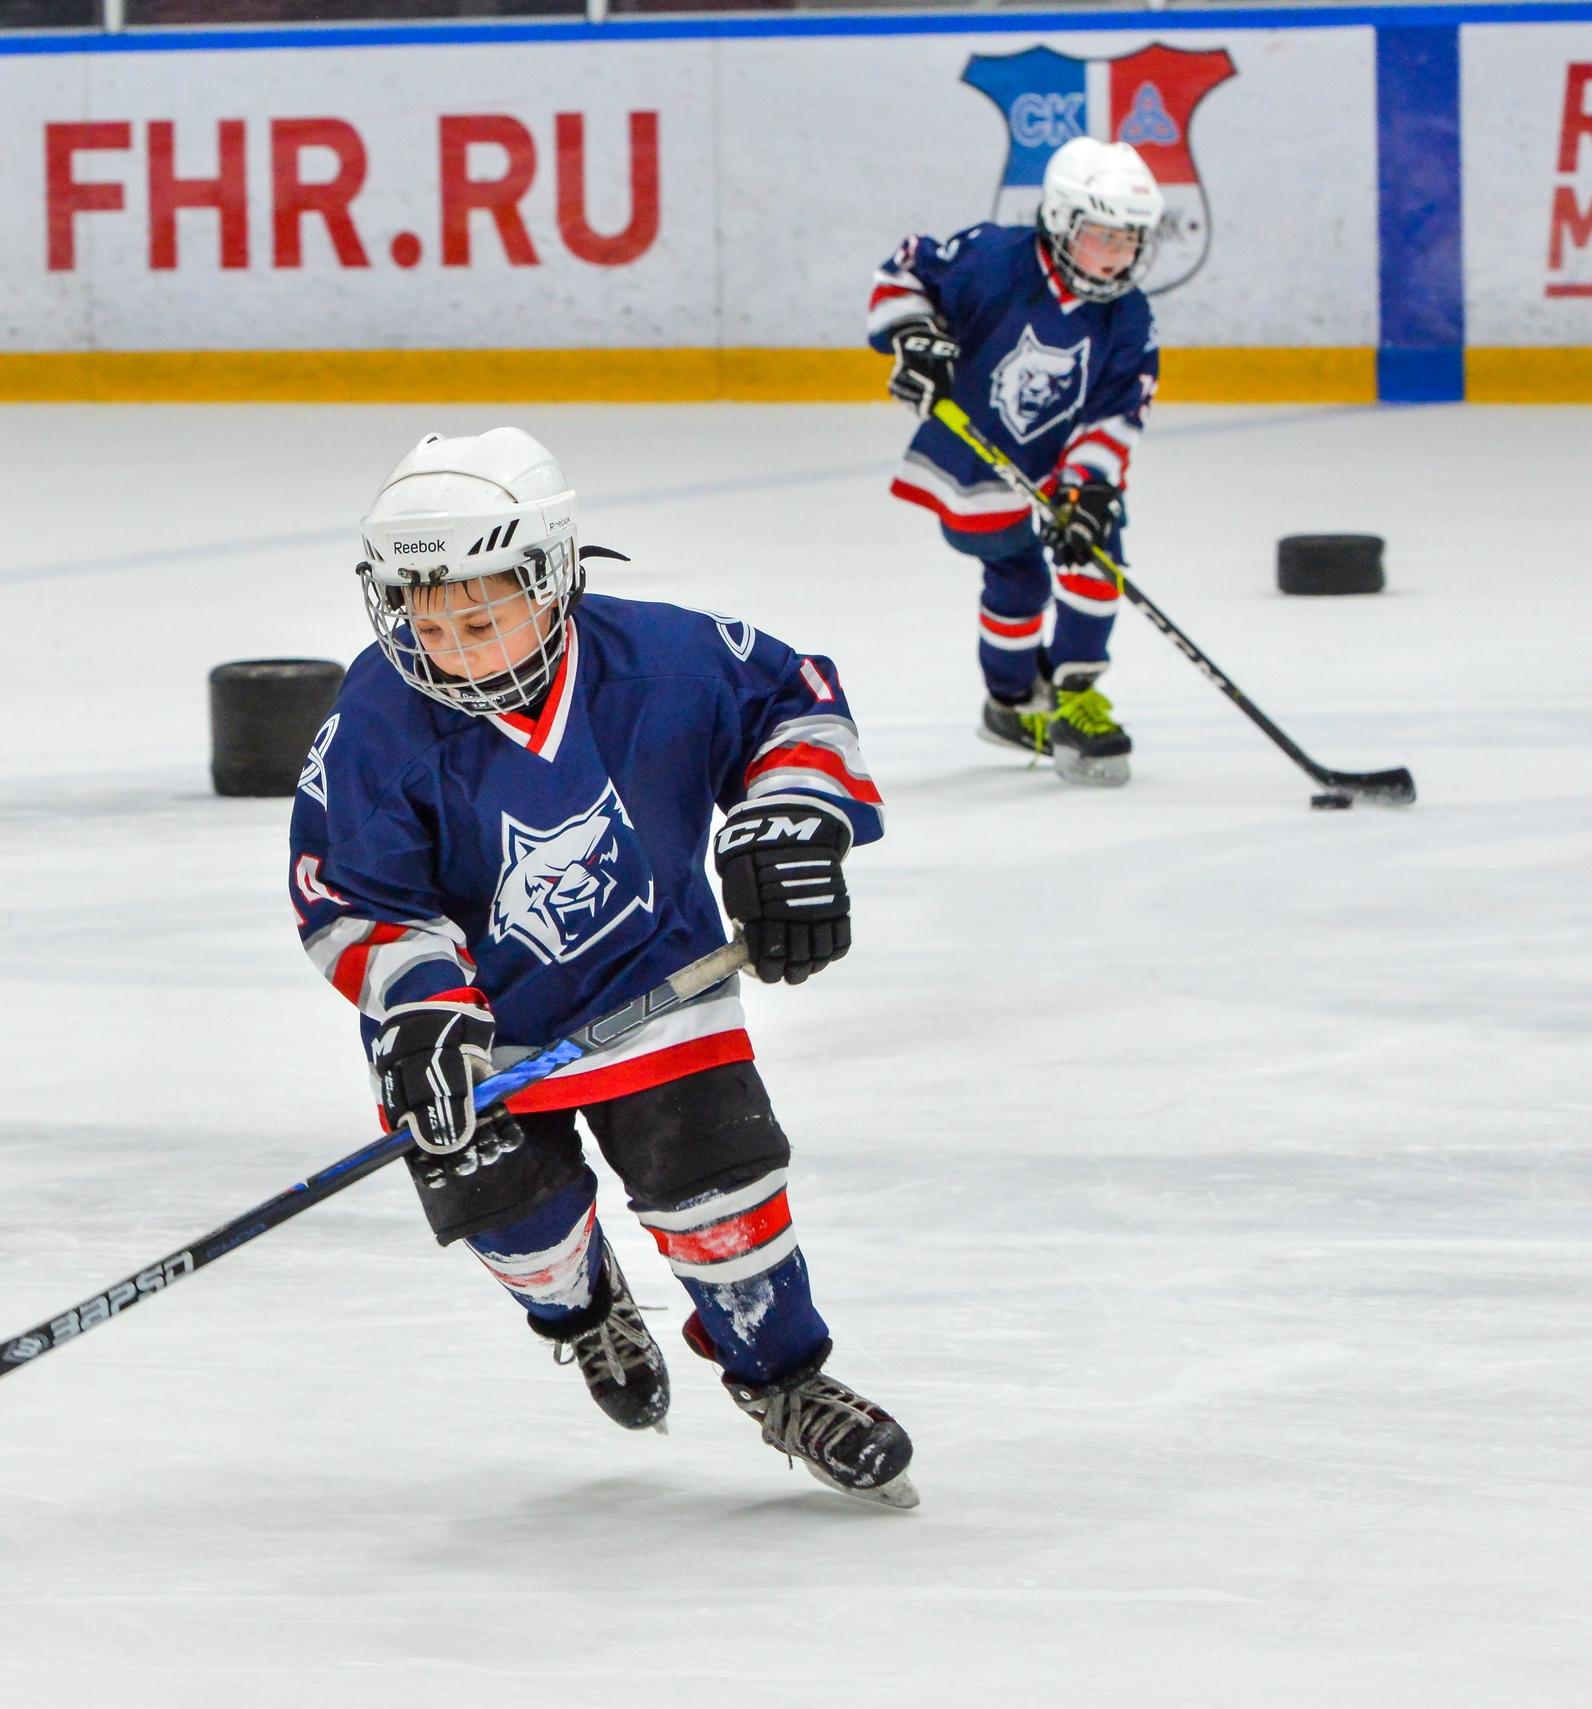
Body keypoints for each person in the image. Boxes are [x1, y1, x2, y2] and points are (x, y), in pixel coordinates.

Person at [286, 426, 916, 1508]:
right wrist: (421, 1005)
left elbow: (793, 698)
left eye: (479, 618)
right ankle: (582, 1312)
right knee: (518, 1226)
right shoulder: (377, 722)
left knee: (722, 1197)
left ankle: (786, 1381)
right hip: (477, 1034)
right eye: (423, 621)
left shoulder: (662, 660)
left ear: (551, 578)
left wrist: (790, 820)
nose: (449, 649)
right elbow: (352, 892)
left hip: (658, 985)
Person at [867, 135, 1166, 786]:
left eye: (1129, 242)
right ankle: (1012, 702)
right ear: (1059, 219)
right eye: (1102, 237)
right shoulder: (994, 259)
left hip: (1062, 465)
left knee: (1095, 554)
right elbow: (905, 270)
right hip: (976, 460)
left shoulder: (1129, 318)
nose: (1117, 257)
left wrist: (1088, 488)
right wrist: (914, 336)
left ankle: (1076, 694)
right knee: (1018, 578)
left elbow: (1116, 414)